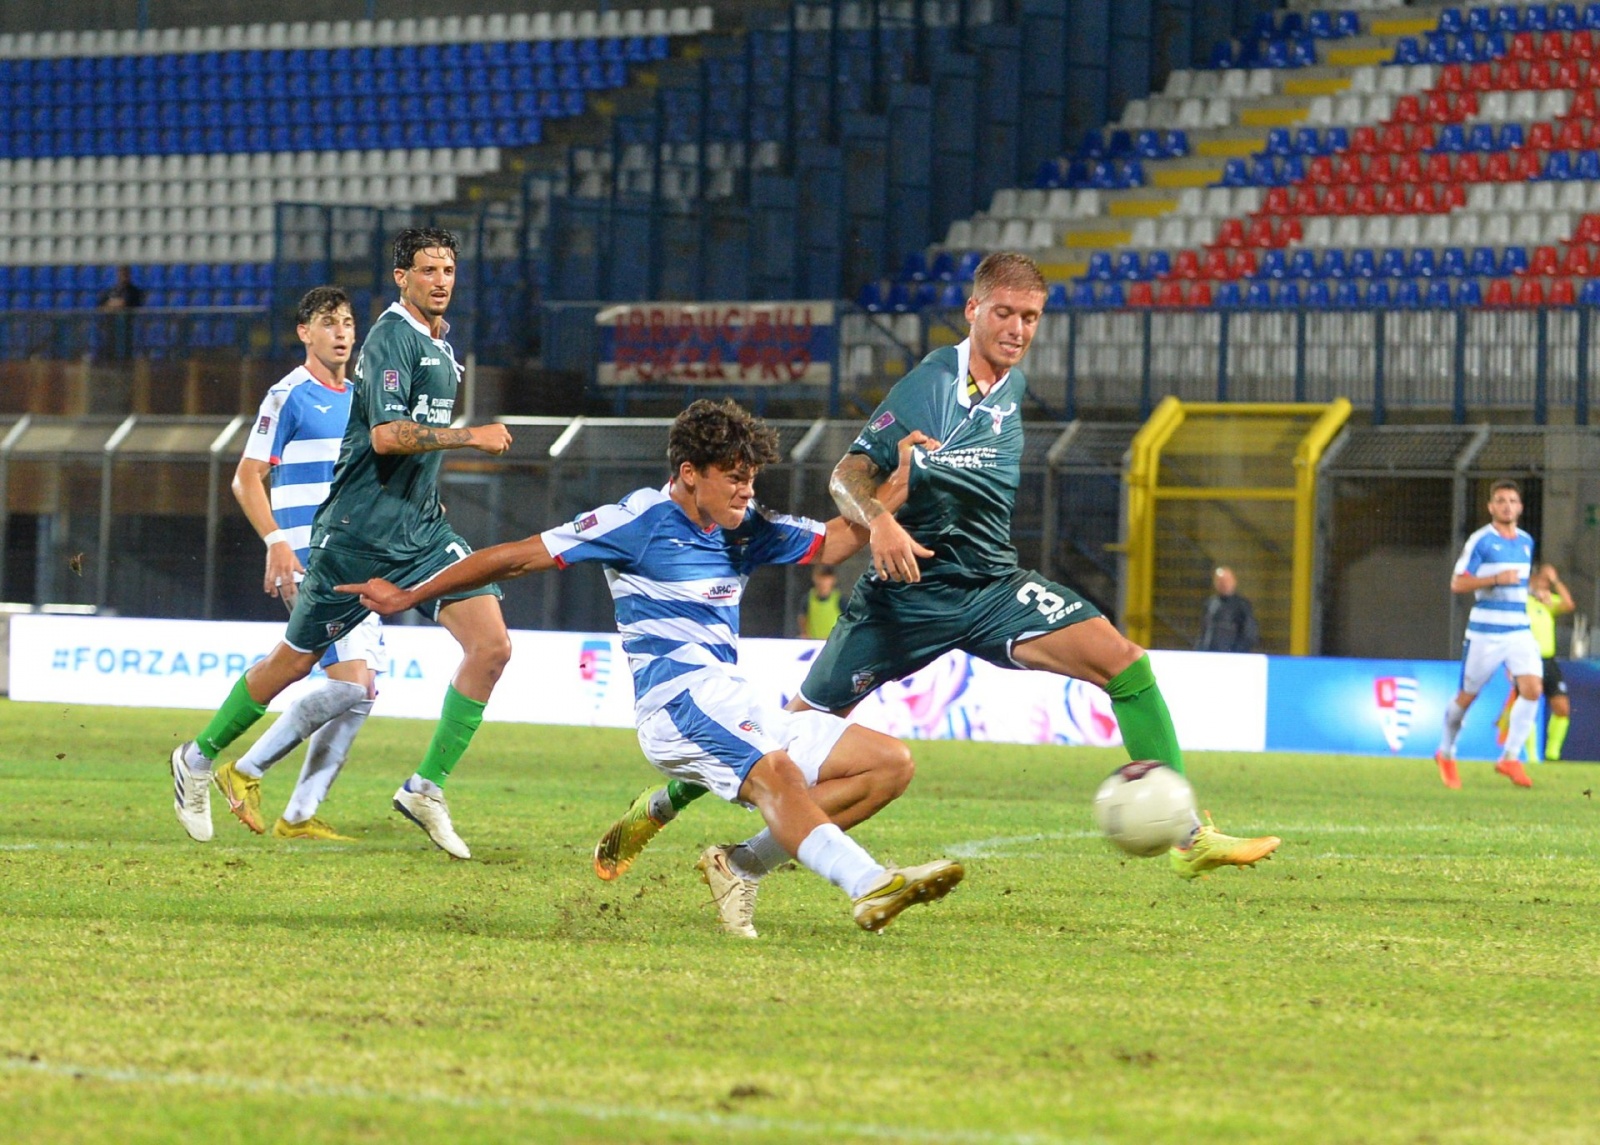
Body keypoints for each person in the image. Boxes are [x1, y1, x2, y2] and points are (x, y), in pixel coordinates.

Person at [593, 252, 1281, 883]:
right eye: (1004, 313)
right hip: (904, 596)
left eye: (1030, 317)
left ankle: (1189, 834)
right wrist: (882, 520)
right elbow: (845, 475)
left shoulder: (1011, 387)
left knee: (1126, 664)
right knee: (783, 742)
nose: (1017, 329)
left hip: (991, 587)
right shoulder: (931, 387)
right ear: (973, 312)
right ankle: (658, 805)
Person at [337, 399, 963, 936]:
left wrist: (901, 483)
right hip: (677, 703)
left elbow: (838, 539)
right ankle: (870, 884)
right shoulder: (637, 522)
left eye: (752, 479)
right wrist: (410, 596)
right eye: (735, 479)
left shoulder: (743, 527)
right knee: (777, 775)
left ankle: (739, 866)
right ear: (690, 474)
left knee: (887, 766)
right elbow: (512, 558)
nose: (748, 491)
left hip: (734, 697)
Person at [168, 228, 515, 858]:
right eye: (427, 269)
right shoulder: (390, 338)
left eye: (449, 269)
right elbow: (385, 437)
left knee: (491, 646)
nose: (441, 279)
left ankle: (423, 788)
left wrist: (427, 492)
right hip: (354, 537)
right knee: (295, 664)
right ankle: (199, 758)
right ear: (401, 277)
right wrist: (471, 438)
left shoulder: (442, 345)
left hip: (420, 533)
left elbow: (408, 441)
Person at [213, 286, 380, 842]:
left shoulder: (361, 398)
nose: (341, 332)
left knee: (361, 694)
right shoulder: (289, 395)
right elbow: (246, 477)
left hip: (358, 556)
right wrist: (276, 542)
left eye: (348, 322)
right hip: (313, 558)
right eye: (329, 323)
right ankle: (243, 770)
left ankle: (300, 814)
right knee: (353, 686)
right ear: (304, 333)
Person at [1434, 480, 1539, 789]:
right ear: (1491, 507)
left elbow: (1517, 583)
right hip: (1486, 633)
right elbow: (1458, 583)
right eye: (1501, 501)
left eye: (1512, 500)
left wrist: (1534, 592)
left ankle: (1509, 757)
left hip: (1519, 630)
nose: (1507, 505)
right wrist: (1494, 578)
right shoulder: (1480, 541)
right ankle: (1447, 752)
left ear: (1520, 507)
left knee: (1533, 688)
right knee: (1467, 697)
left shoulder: (1525, 541)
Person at [1495, 561, 1574, 763]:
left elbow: (1569, 604)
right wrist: (1510, 663)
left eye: (1549, 582)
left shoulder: (1548, 603)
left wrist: (1556, 581)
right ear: (1533, 579)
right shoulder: (1522, 603)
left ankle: (1552, 755)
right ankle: (1532, 757)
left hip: (1548, 661)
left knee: (1562, 708)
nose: (1546, 585)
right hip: (1527, 660)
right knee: (1528, 705)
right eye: (1544, 580)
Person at [1196, 566, 1259, 653]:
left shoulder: (1242, 605)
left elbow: (1249, 634)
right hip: (1208, 656)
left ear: (1234, 582)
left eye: (1227, 580)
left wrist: (1235, 654)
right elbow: (1204, 631)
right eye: (1220, 581)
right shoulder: (1210, 604)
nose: (1224, 584)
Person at [798, 563, 842, 639]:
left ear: (833, 580)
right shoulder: (808, 599)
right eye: (820, 577)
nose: (823, 582)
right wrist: (804, 634)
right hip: (813, 644)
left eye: (826, 578)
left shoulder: (840, 600)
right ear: (814, 578)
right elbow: (802, 618)